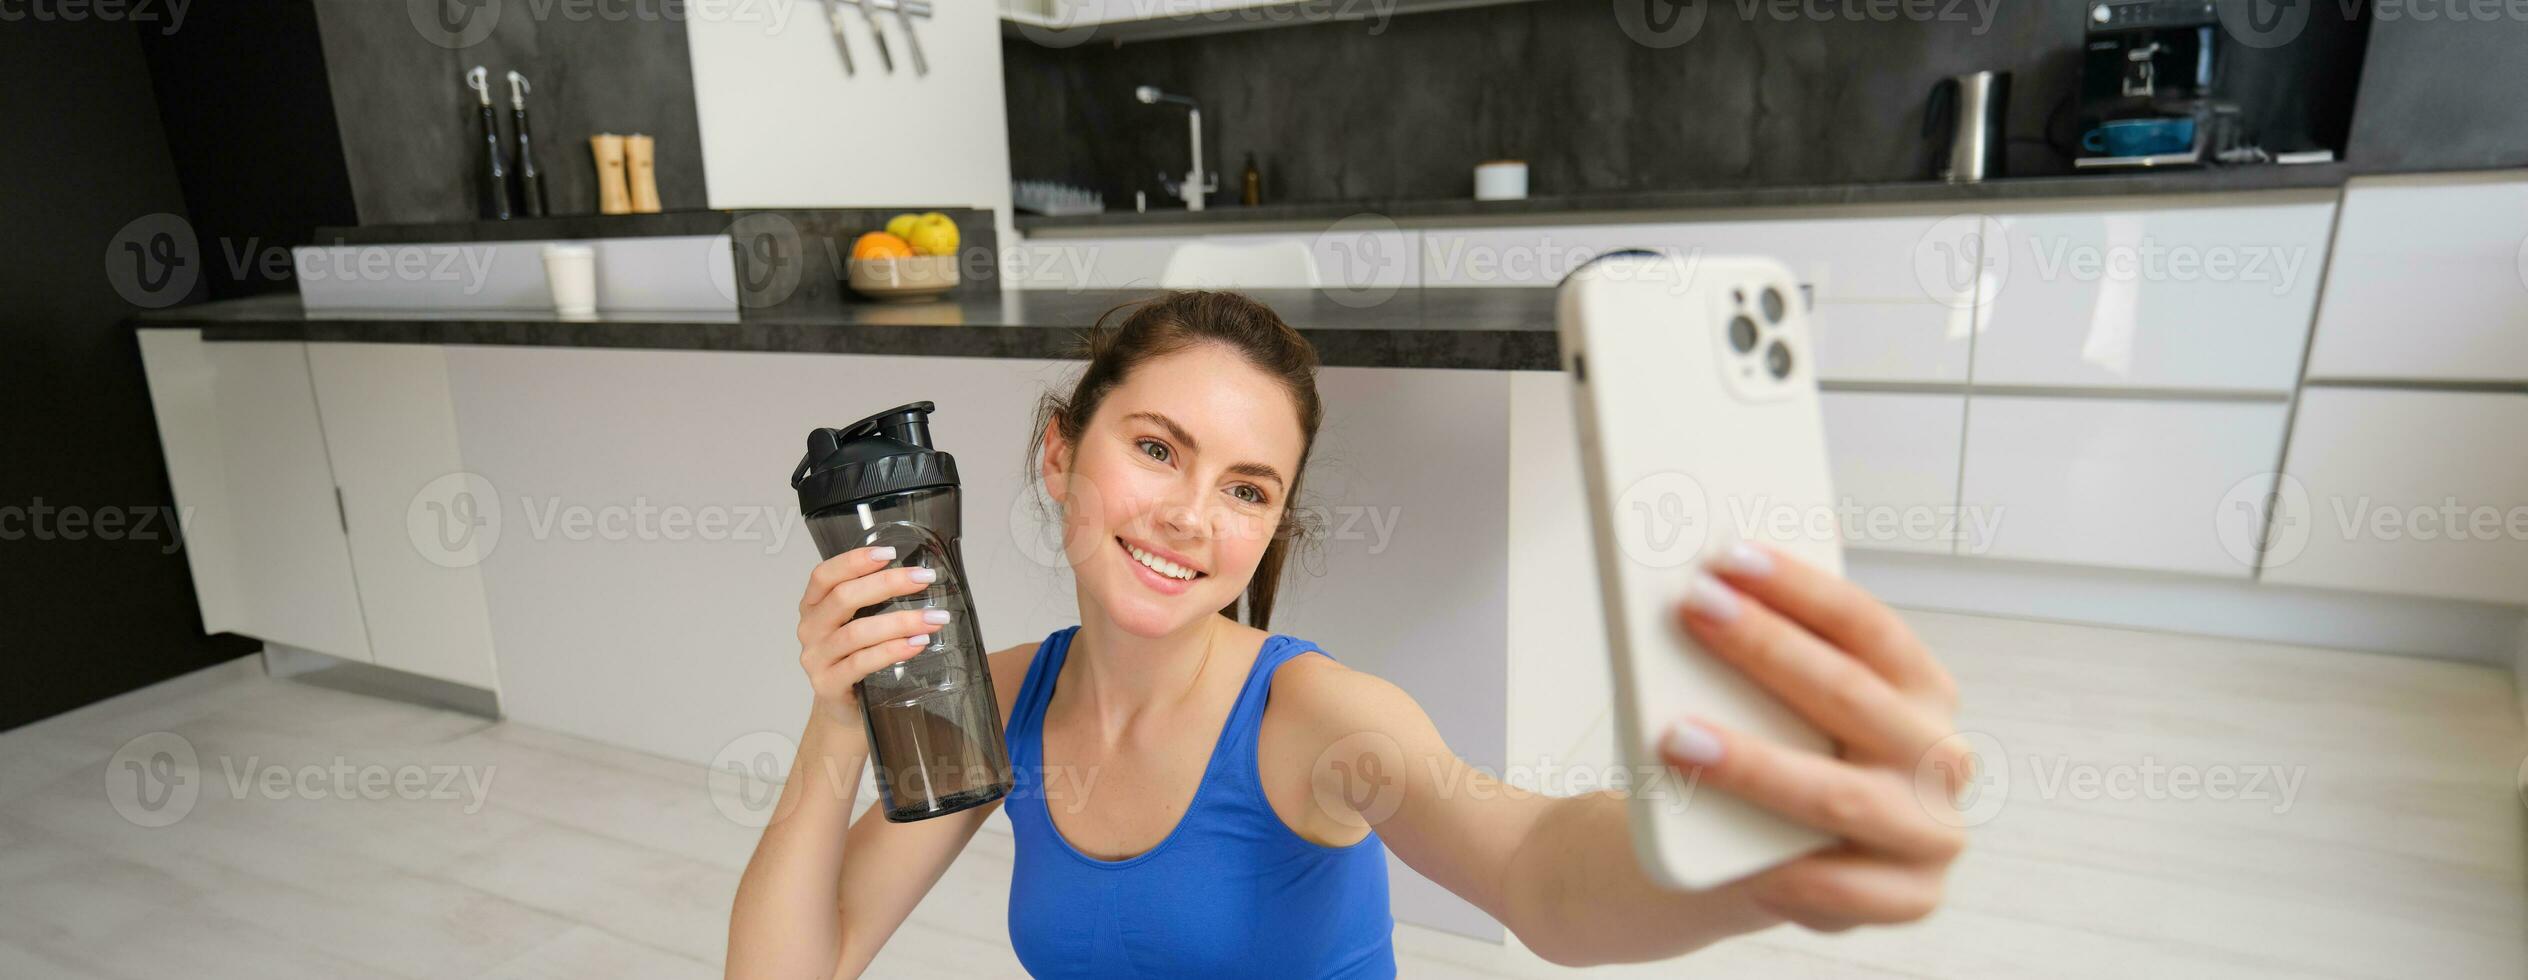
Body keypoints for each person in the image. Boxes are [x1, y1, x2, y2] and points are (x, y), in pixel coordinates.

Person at [727, 290, 1968, 978]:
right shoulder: (999, 704)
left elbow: (1534, 864)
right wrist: (839, 728)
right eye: (1156, 447)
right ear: (1060, 452)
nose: (1189, 515)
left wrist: (1741, 858)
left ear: (1272, 526)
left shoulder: (1314, 724)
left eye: (1247, 487)